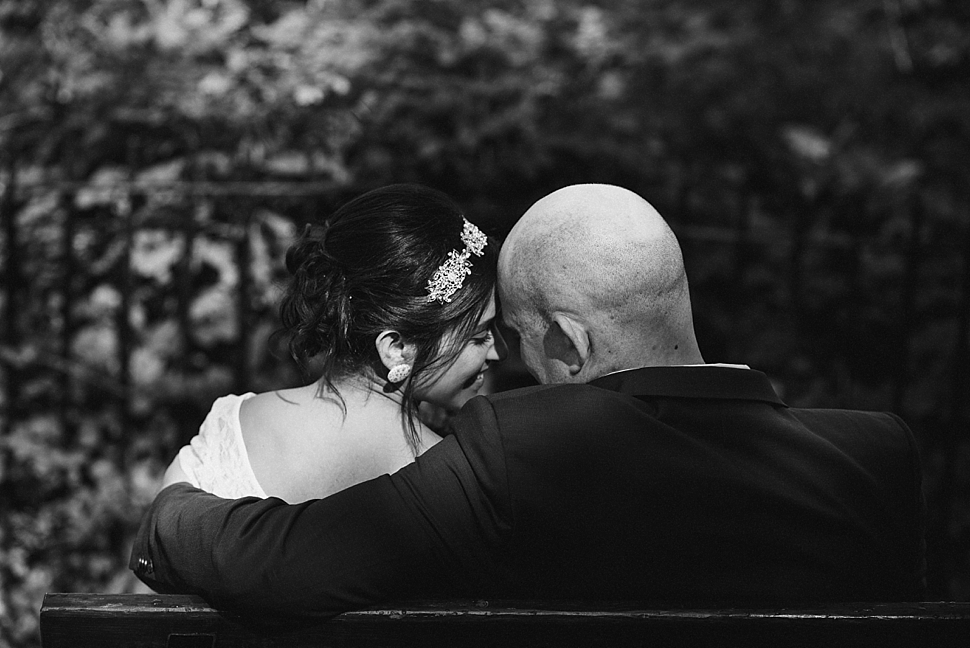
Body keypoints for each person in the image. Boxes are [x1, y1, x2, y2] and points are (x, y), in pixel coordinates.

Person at [131, 184, 925, 618]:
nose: (503, 359)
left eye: (513, 335)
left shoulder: (524, 457)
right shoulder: (880, 458)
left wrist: (170, 511)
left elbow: (279, 563)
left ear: (573, 347)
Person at [160, 184, 504, 503]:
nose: (497, 351)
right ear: (396, 347)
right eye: (479, 336)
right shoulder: (463, 484)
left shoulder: (228, 430)